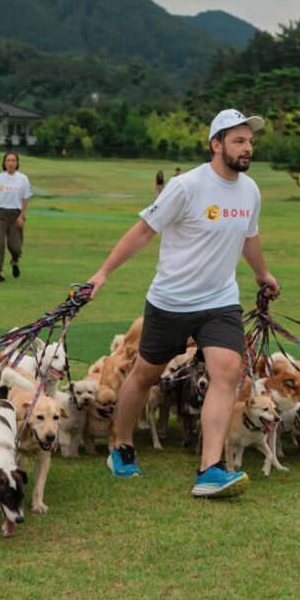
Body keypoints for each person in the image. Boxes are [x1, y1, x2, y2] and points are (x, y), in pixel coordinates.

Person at [87, 108, 280, 499]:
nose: (247, 148)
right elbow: (143, 231)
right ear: (216, 144)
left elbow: (249, 237)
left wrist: (262, 274)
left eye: (250, 142)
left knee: (227, 370)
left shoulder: (251, 190)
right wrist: (102, 273)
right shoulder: (186, 186)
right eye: (239, 141)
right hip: (171, 300)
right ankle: (121, 446)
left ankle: (210, 469)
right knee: (144, 374)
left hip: (221, 300)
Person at [0, 152, 32, 282]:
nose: (11, 163)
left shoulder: (23, 179)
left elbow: (25, 199)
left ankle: (15, 261)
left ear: (17, 163)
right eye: (8, 160)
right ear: (4, 163)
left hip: (15, 214)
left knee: (15, 246)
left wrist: (22, 216)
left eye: (13, 160)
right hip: (0, 214)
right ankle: (0, 272)